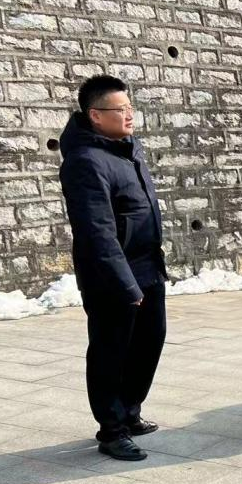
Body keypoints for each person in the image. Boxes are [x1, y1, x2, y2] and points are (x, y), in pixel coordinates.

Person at [59, 75, 167, 462]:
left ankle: (129, 411)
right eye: (121, 110)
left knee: (149, 343)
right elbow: (97, 232)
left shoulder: (127, 150)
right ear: (95, 115)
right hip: (112, 277)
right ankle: (111, 428)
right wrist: (125, 285)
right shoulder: (85, 161)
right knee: (111, 352)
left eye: (130, 108)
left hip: (147, 266)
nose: (129, 115)